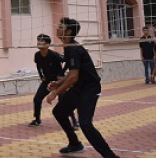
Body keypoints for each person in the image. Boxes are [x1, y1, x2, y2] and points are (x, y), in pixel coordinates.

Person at [46, 17, 120, 158]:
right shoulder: (68, 47)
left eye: (61, 27)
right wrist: (59, 83)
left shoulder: (74, 49)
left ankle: (110, 156)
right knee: (59, 112)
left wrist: (55, 93)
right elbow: (73, 73)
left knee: (85, 124)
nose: (57, 29)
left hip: (89, 89)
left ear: (69, 32)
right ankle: (75, 144)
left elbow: (74, 77)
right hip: (79, 88)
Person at [29, 33, 78, 129]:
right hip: (47, 81)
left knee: (64, 100)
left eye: (42, 40)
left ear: (47, 44)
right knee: (37, 99)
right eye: (38, 40)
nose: (39, 42)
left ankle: (74, 121)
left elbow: (67, 61)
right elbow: (38, 65)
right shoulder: (37, 55)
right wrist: (41, 75)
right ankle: (37, 120)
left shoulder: (54, 55)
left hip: (58, 81)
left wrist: (62, 73)